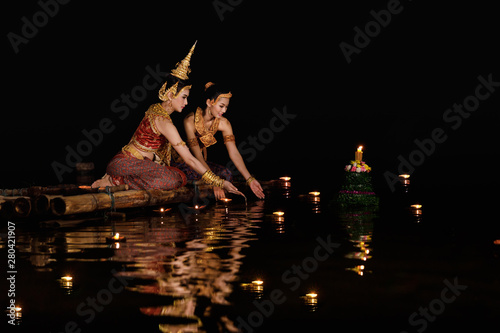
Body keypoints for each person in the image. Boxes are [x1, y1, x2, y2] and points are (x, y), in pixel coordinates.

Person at [91, 42, 241, 197]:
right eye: (184, 97)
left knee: (175, 176)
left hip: (127, 166)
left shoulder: (155, 108)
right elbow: (189, 159)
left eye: (187, 98)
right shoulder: (164, 122)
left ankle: (118, 180)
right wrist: (219, 182)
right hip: (123, 165)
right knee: (173, 179)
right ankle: (115, 181)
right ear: (170, 95)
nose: (186, 103)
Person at [172, 82, 265, 200]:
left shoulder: (224, 123)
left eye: (226, 107)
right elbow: (197, 157)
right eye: (221, 106)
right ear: (209, 103)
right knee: (195, 175)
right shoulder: (190, 121)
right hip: (186, 162)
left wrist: (249, 179)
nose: (224, 110)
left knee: (226, 174)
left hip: (202, 163)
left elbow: (234, 153)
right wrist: (215, 182)